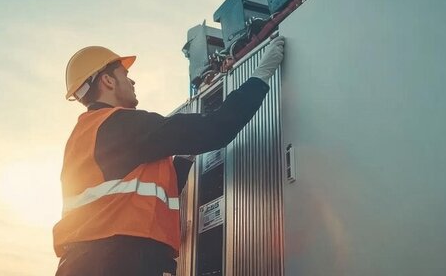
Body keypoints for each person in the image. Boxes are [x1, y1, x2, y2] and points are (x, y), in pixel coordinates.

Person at [54, 35, 286, 276]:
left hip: (85, 262)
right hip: (120, 261)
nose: (132, 81)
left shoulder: (84, 135)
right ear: (108, 81)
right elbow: (218, 127)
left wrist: (183, 161)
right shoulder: (124, 124)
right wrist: (260, 76)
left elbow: (134, 195)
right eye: (124, 74)